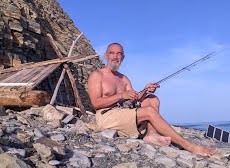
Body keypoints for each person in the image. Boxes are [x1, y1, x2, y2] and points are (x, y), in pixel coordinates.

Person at [87, 42, 217, 156]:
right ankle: (190, 146)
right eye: (112, 53)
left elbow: (133, 100)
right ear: (106, 55)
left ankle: (151, 134)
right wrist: (121, 95)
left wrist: (144, 91)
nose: (115, 57)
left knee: (152, 99)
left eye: (119, 54)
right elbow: (96, 103)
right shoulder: (97, 75)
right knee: (149, 111)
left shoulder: (124, 79)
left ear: (123, 57)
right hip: (106, 117)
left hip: (123, 115)